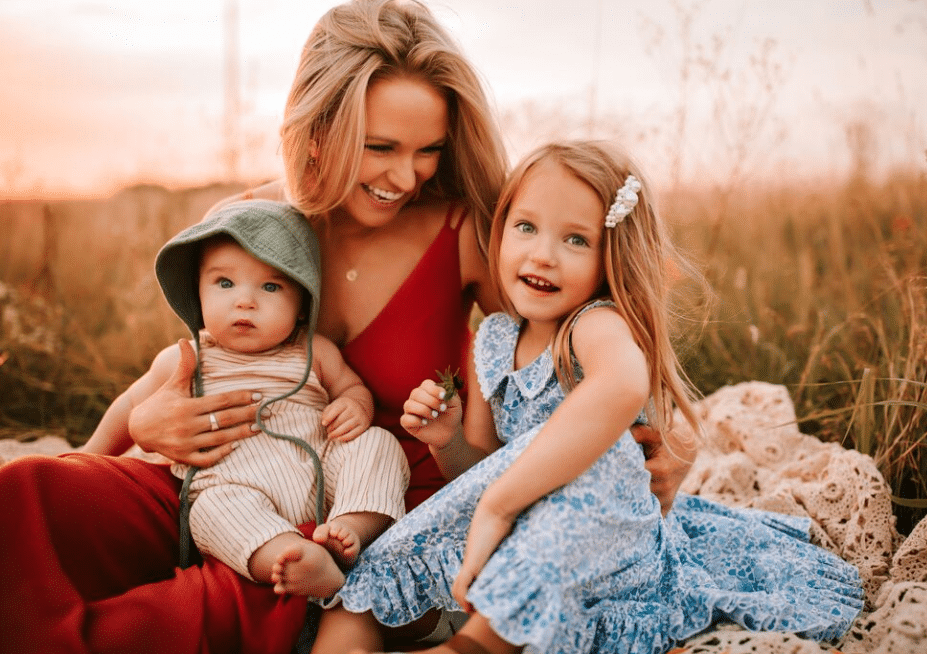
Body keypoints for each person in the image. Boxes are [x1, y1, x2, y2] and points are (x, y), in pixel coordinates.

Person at [0, 2, 691, 653]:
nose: (406, 176)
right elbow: (197, 366)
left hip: (369, 513)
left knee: (211, 598)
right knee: (26, 493)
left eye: (428, 150)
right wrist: (147, 426)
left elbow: (580, 351)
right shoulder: (249, 223)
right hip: (231, 475)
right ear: (319, 126)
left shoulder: (463, 232)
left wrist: (652, 456)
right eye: (380, 145)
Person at [322, 141, 866, 654]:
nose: (543, 255)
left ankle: (480, 643)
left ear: (612, 256)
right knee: (382, 565)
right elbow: (486, 468)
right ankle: (350, 634)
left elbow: (622, 385)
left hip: (603, 537)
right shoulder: (492, 339)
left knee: (604, 451)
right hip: (518, 521)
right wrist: (447, 442)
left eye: (575, 239)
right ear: (500, 232)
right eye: (526, 228)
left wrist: (499, 504)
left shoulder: (593, 325)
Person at [88, 199, 411, 599]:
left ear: (301, 303)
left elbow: (350, 386)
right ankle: (288, 557)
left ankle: (349, 531)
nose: (245, 300)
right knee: (210, 510)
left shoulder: (313, 351)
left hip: (321, 473)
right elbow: (131, 405)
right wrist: (89, 453)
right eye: (225, 283)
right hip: (235, 484)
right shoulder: (186, 357)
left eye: (271, 286)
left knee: (377, 444)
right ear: (198, 291)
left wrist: (354, 405)